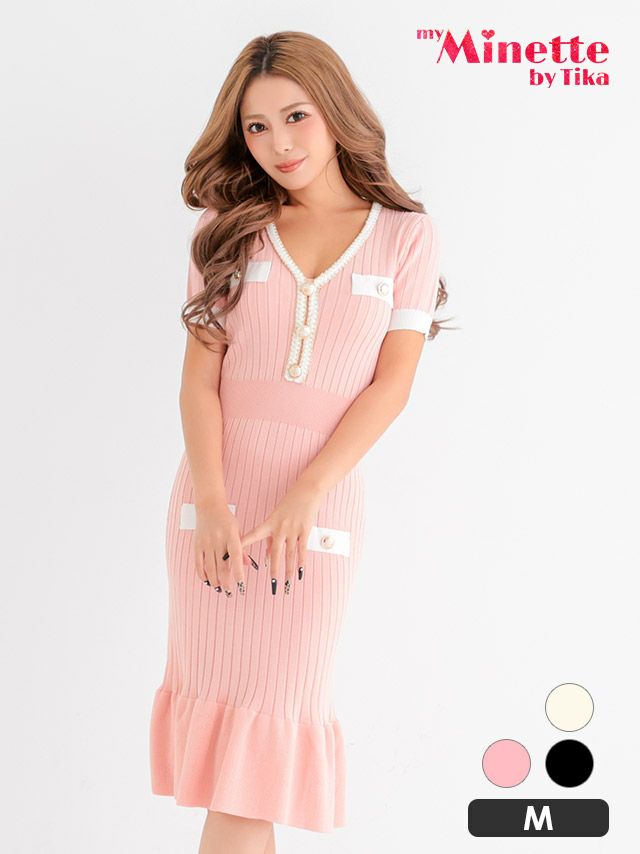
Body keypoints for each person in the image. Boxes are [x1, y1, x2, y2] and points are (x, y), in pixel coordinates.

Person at [149, 30, 450, 854]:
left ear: (335, 110)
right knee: (238, 780)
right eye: (256, 127)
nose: (278, 143)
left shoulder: (405, 236)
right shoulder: (226, 227)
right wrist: (213, 503)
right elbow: (199, 383)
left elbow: (392, 385)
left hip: (315, 518)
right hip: (214, 507)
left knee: (263, 753)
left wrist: (308, 491)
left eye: (295, 116)